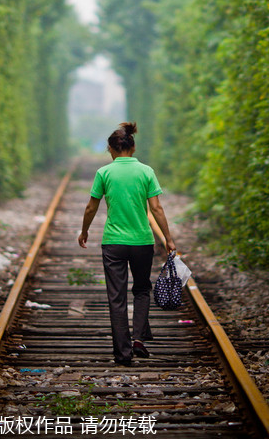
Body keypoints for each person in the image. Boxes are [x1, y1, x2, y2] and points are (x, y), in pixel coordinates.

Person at [78, 121, 176, 366]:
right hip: (142, 242)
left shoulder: (105, 173)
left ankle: (122, 354)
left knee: (117, 297)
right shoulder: (146, 171)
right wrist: (167, 238)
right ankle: (139, 339)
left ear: (112, 149)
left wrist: (84, 231)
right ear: (132, 148)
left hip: (113, 243)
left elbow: (92, 206)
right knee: (142, 290)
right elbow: (156, 207)